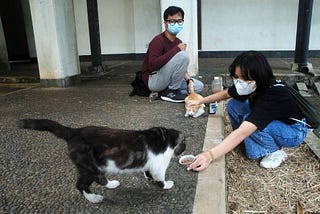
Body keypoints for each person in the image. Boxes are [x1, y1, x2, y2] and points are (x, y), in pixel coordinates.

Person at [186, 51, 308, 171]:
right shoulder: (251, 85)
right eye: (236, 77)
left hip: (293, 131)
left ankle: (275, 151)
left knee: (249, 123)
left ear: (258, 75)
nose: (239, 82)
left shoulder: (272, 95)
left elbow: (242, 132)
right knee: (234, 105)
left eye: (244, 78)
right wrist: (200, 101)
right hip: (277, 122)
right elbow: (225, 94)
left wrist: (209, 155)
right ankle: (250, 141)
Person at [141, 6, 204, 103]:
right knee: (183, 56)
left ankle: (164, 92)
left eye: (179, 21)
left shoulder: (178, 42)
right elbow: (152, 65)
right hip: (154, 80)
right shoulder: (158, 40)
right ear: (165, 23)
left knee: (199, 86)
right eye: (172, 21)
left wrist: (188, 80)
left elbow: (180, 67)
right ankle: (172, 92)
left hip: (166, 80)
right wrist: (176, 50)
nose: (176, 24)